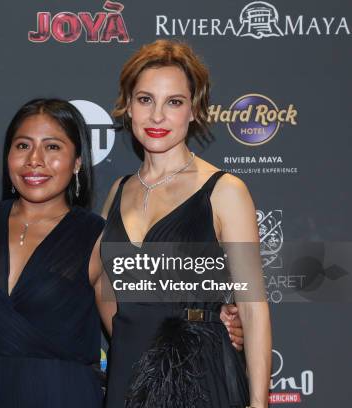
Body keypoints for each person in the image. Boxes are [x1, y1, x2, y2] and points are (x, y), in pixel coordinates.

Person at [101, 40, 271, 408]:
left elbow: (253, 307)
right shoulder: (118, 191)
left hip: (197, 372)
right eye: (145, 99)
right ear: (128, 106)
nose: (157, 116)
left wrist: (259, 404)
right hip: (126, 370)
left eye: (173, 102)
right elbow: (102, 285)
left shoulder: (225, 191)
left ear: (193, 110)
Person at [0, 99, 107, 407]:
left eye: (52, 147)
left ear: (77, 161)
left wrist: (209, 320)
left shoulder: (98, 237)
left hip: (63, 396)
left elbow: (133, 333)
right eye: (23, 146)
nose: (34, 160)